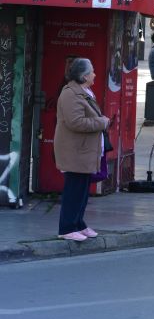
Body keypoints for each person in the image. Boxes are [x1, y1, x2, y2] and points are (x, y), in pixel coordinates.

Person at [53, 58, 110, 241]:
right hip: (75, 151)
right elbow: (75, 122)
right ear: (84, 76)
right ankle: (67, 228)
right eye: (92, 71)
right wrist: (101, 122)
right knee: (74, 190)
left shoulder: (85, 91)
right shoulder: (70, 94)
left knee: (83, 191)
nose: (95, 74)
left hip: (84, 151)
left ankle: (78, 224)